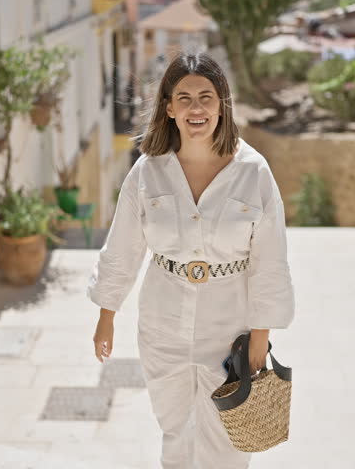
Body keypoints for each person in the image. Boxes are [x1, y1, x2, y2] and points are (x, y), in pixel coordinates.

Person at [86, 51, 295, 469]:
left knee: (230, 437)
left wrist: (260, 335)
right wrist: (106, 315)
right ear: (169, 107)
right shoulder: (148, 171)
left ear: (222, 105)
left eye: (206, 96)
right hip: (163, 321)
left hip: (229, 324)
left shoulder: (253, 172)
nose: (196, 108)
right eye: (184, 97)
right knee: (175, 428)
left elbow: (270, 260)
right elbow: (124, 246)